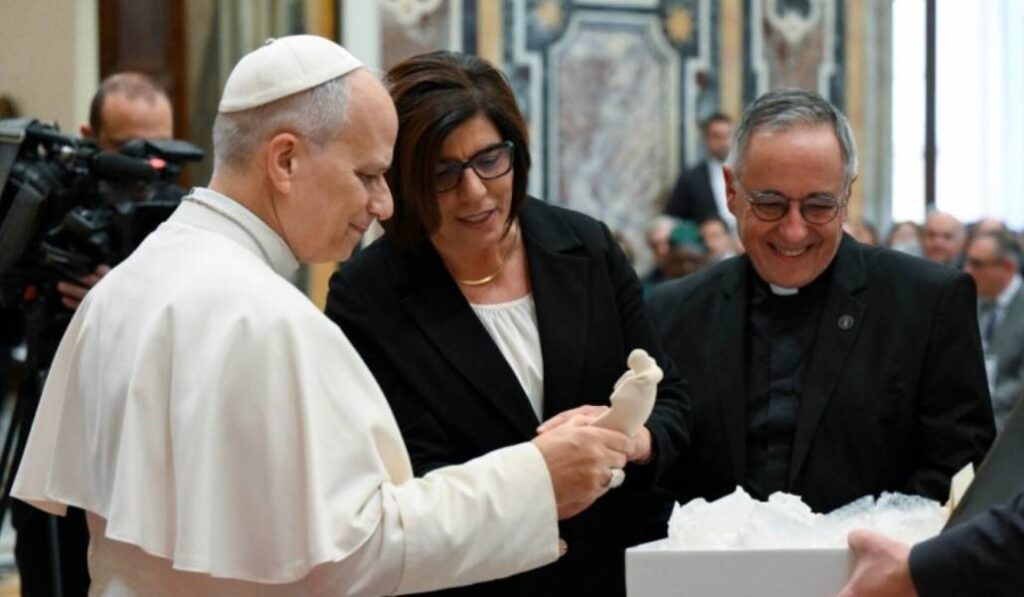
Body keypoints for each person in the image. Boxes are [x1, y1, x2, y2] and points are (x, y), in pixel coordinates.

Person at [12, 35, 637, 595]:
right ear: (284, 161)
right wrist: (536, 479)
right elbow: (353, 555)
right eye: (368, 174)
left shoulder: (120, 290)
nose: (385, 204)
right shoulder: (272, 322)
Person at [325, 51, 691, 596]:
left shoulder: (585, 246)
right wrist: (539, 474)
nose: (474, 192)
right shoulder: (367, 296)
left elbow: (674, 403)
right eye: (443, 174)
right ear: (403, 180)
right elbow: (396, 479)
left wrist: (636, 439)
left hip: (609, 572)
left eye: (490, 160)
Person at [648, 89, 994, 514]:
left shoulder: (928, 303)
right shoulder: (671, 314)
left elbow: (958, 468)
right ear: (732, 192)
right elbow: (657, 478)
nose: (794, 231)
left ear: (847, 196)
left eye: (819, 206)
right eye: (771, 204)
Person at [9, 72, 175, 597]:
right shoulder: (54, 206)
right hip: (55, 401)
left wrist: (126, 297)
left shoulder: (182, 214)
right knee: (43, 545)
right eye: (127, 148)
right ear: (88, 136)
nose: (147, 166)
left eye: (161, 149)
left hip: (149, 427)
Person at [965, 230, 1024, 431]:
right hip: (972, 410)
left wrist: (981, 404)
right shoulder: (973, 301)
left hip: (1009, 418)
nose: (968, 271)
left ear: (1007, 267)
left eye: (977, 264)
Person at [665, 112, 735, 228]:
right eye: (716, 136)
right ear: (706, 139)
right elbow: (672, 219)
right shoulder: (690, 178)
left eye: (727, 136)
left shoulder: (747, 173)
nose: (723, 142)